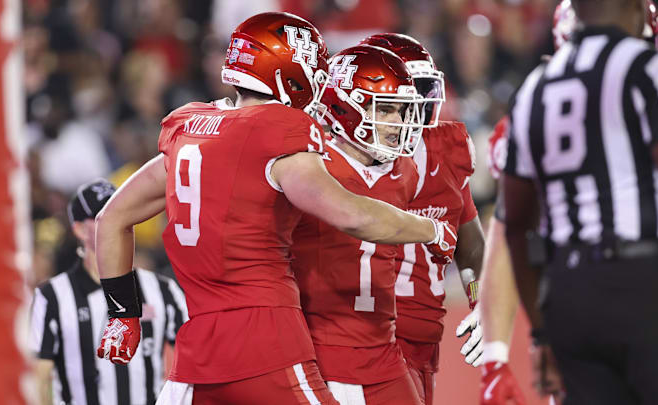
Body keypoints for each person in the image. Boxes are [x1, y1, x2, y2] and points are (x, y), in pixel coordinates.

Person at [93, 12, 457, 405]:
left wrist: (122, 314)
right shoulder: (277, 130)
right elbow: (354, 215)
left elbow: (111, 218)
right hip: (267, 340)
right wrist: (430, 230)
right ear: (286, 70)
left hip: (198, 352)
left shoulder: (189, 128)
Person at [503, 0, 658, 403]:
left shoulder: (534, 86)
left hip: (568, 294)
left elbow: (517, 224)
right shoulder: (651, 67)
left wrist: (541, 331)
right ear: (635, 9)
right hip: (648, 281)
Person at [291, 44, 428, 405]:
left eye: (400, 111)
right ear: (342, 106)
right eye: (385, 109)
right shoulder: (310, 164)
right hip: (322, 349)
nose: (397, 123)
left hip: (384, 350)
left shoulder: (406, 172)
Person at [359, 33, 486, 405]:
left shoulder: (447, 149)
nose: (410, 113)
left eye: (421, 96)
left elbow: (471, 246)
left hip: (425, 338)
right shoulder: (336, 153)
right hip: (360, 339)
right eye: (397, 101)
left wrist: (480, 300)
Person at [29, 178, 188, 405]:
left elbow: (195, 361)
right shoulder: (52, 296)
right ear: (79, 229)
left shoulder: (164, 291)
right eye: (102, 214)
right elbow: (39, 378)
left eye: (121, 210)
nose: (116, 219)